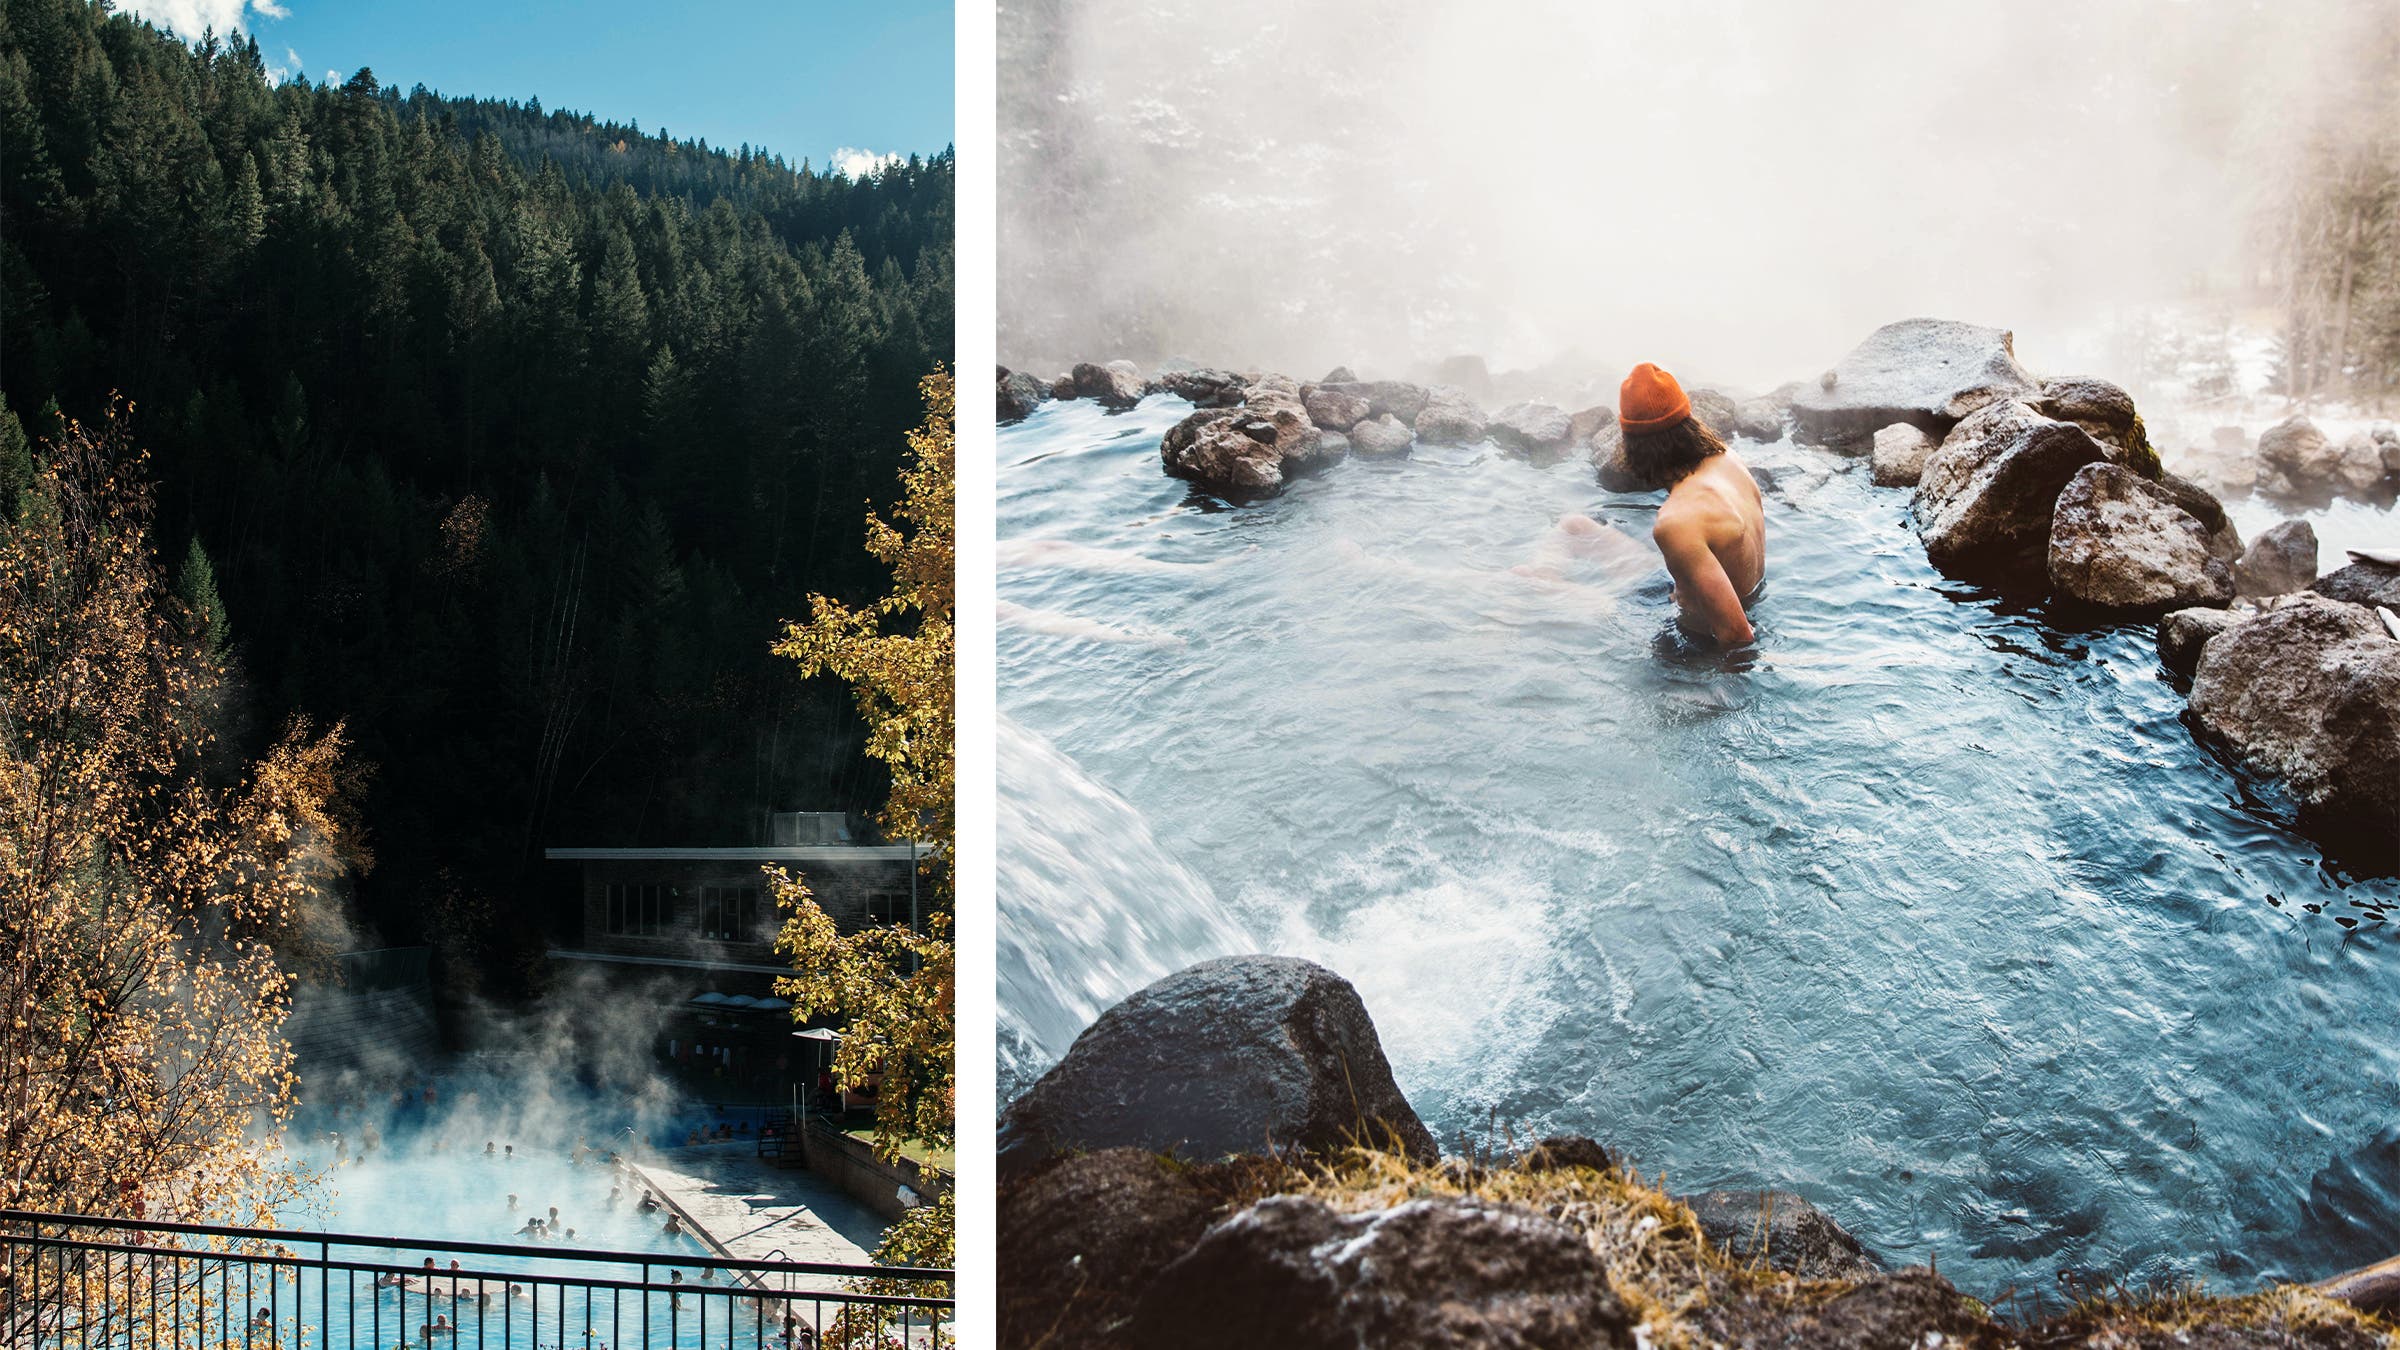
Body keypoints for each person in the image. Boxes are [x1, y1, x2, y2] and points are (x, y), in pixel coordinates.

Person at [1617, 362, 1764, 645]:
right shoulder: (1728, 460)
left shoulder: (1676, 522)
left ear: (1633, 447)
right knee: (1575, 526)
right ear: (1688, 420)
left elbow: (1737, 634)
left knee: (1594, 608)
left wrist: (1720, 688)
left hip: (1700, 649)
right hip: (1756, 601)